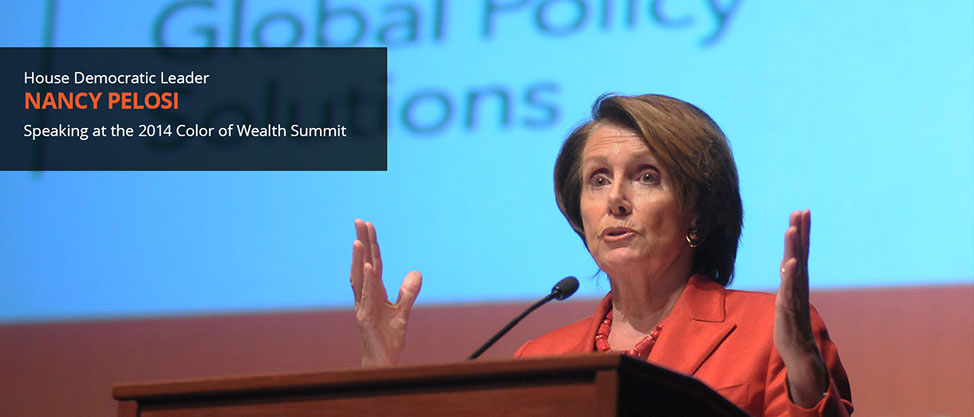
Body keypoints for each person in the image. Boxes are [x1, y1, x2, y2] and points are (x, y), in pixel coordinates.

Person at [349, 94, 853, 416]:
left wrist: (804, 375)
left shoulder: (768, 332)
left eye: (646, 176)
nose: (616, 199)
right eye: (597, 180)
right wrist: (377, 371)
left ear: (697, 212)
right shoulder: (539, 359)